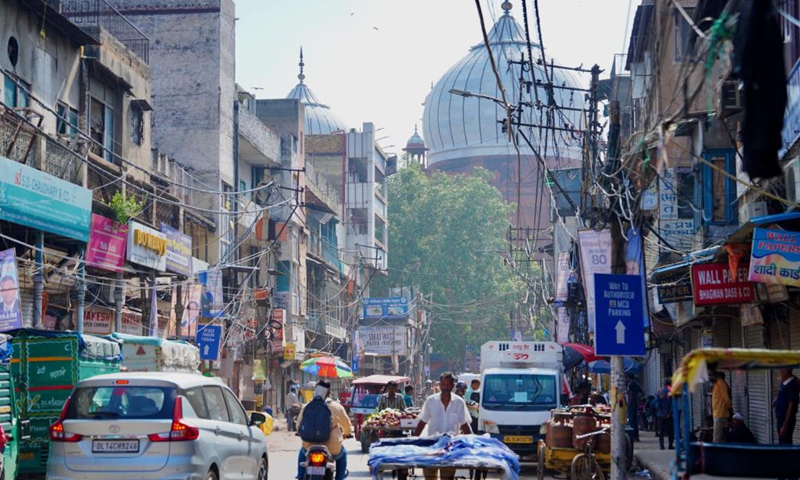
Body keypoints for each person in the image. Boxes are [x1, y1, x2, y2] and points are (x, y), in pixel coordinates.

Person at [413, 372, 472, 480]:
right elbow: (422, 422)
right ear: (440, 385)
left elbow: (465, 425)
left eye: (448, 385)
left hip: (450, 448)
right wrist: (413, 441)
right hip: (432, 446)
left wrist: (473, 443)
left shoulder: (459, 402)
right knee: (430, 476)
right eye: (443, 385)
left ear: (453, 386)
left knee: (447, 477)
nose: (445, 387)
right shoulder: (431, 401)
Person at [296, 380, 353, 480]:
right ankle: (340, 478)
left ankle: (300, 476)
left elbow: (298, 425)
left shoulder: (307, 406)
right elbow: (347, 424)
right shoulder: (337, 407)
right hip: (332, 447)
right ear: (329, 393)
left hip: (310, 445)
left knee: (302, 452)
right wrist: (347, 433)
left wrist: (299, 432)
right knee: (342, 454)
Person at [710, 370, 732, 443]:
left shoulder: (720, 383)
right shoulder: (715, 384)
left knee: (717, 438)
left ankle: (716, 453)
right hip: (717, 414)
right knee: (719, 437)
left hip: (720, 414)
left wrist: (728, 408)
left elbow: (726, 398)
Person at [658, 379, 674, 450]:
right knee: (671, 431)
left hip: (661, 415)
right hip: (669, 415)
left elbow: (658, 404)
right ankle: (670, 445)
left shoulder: (660, 391)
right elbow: (672, 404)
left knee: (661, 431)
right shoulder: (671, 391)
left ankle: (662, 446)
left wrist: (661, 413)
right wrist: (669, 414)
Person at [626, 373, 643, 441]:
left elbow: (631, 395)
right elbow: (642, 392)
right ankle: (636, 436)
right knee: (634, 420)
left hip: (632, 404)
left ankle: (632, 436)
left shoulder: (631, 384)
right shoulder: (636, 384)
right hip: (635, 403)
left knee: (631, 420)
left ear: (629, 378)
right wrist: (637, 399)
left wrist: (629, 403)